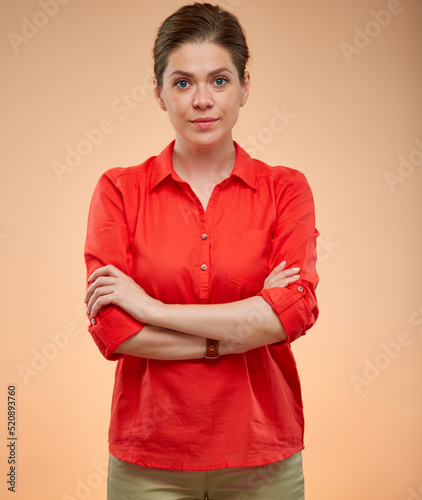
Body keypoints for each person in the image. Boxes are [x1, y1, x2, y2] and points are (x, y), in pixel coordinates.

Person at [84, 3, 319, 499]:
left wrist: (150, 309)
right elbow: (113, 330)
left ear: (244, 87)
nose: (202, 100)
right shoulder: (119, 190)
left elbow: (291, 314)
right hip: (149, 459)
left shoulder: (287, 190)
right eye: (183, 82)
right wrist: (245, 328)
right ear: (159, 93)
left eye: (219, 80)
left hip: (263, 459)